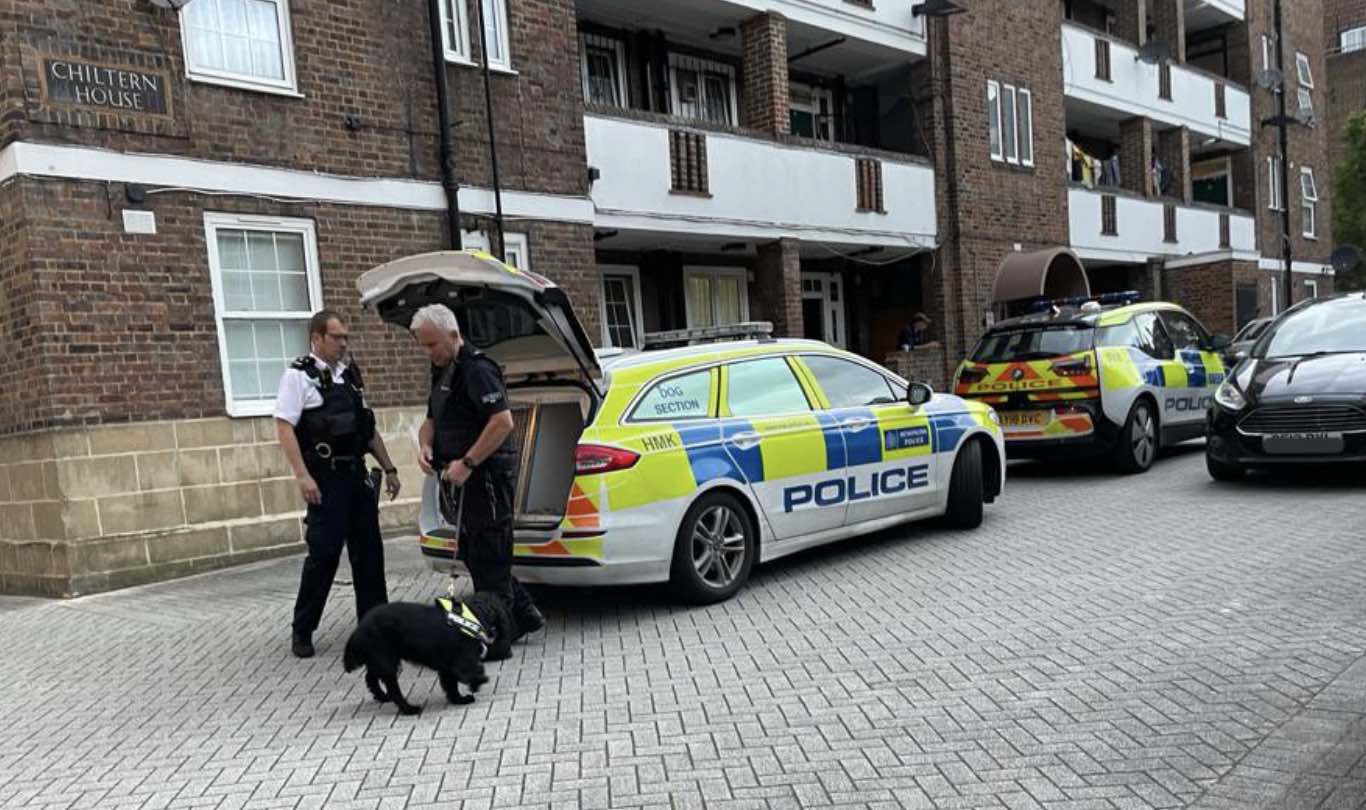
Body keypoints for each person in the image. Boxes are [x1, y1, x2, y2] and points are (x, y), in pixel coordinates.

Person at [411, 303, 544, 642]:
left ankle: (499, 635)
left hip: (486, 479)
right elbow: (431, 419)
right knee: (474, 553)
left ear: (453, 334)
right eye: (423, 345)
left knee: (491, 553)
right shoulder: (443, 369)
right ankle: (524, 613)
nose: (427, 352)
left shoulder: (477, 370)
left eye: (431, 344)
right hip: (459, 481)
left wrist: (468, 463)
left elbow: (502, 422)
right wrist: (425, 445)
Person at [275, 310, 402, 658]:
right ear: (317, 338)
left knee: (369, 554)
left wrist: (389, 468)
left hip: (356, 475)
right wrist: (302, 475)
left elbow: (368, 429)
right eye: (336, 337)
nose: (343, 343)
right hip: (325, 478)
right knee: (324, 555)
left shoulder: (349, 376)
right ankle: (303, 629)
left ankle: (375, 627)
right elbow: (284, 427)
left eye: (346, 337)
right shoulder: (298, 376)